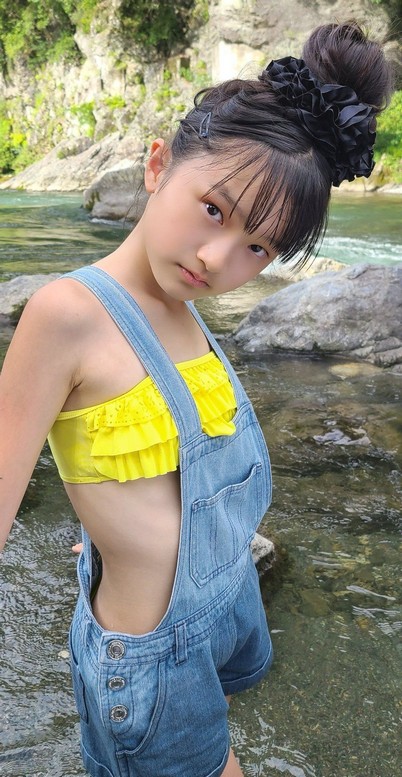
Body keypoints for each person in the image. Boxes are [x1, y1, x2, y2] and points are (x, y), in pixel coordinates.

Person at [0, 20, 392, 777]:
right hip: (150, 659)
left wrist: (110, 519)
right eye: (214, 209)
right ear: (157, 165)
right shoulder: (67, 313)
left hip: (219, 607)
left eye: (259, 247)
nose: (218, 260)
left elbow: (153, 451)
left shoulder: (184, 311)